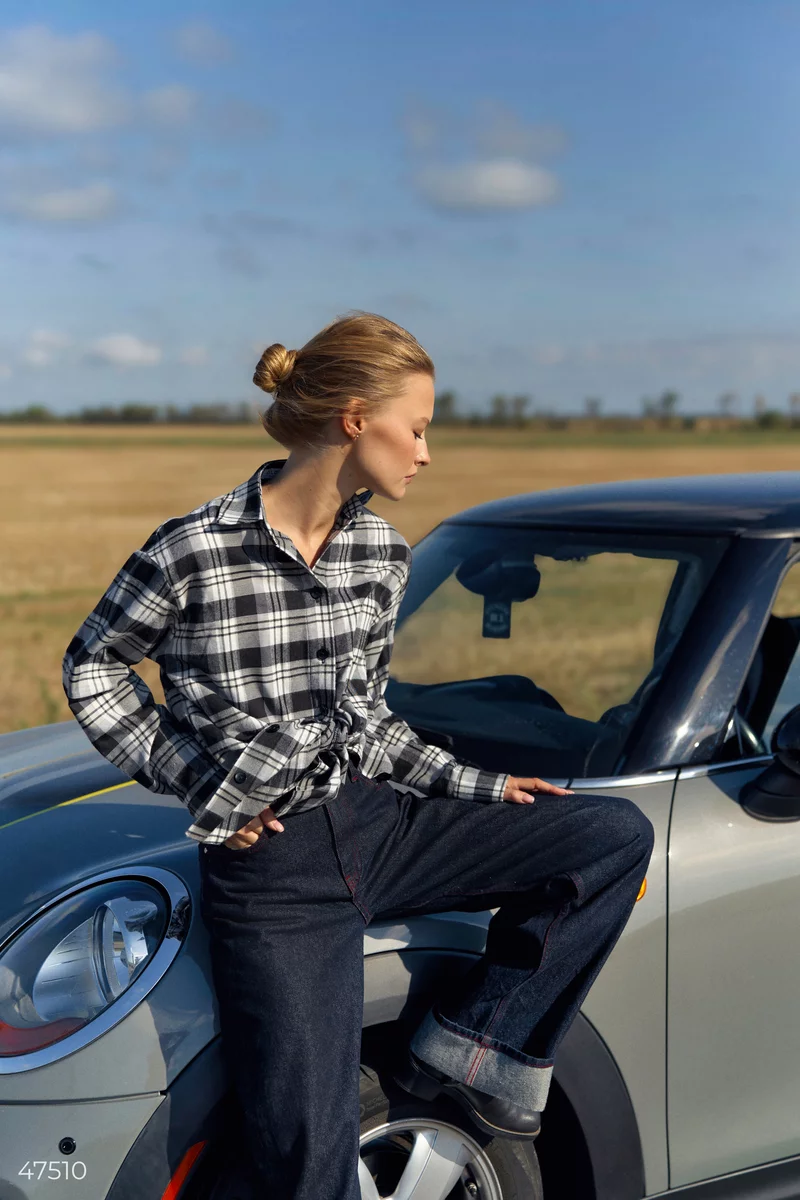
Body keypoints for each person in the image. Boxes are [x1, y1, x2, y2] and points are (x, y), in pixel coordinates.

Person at [62, 309, 655, 1200]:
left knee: (609, 837)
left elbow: (368, 723)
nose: (424, 452)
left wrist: (485, 788)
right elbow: (93, 665)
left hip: (378, 826)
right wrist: (198, 780)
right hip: (274, 879)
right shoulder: (195, 551)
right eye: (414, 428)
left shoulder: (383, 553)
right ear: (352, 417)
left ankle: (472, 1056)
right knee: (306, 1167)